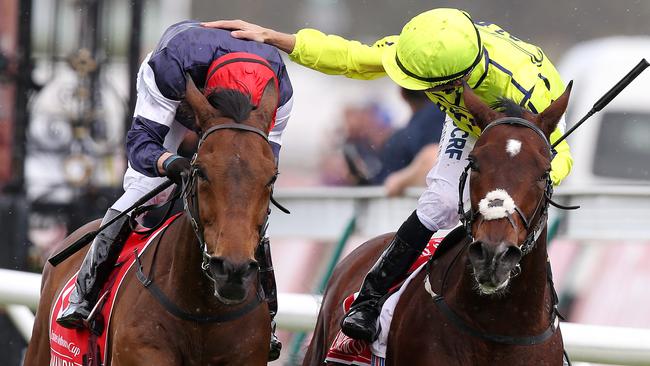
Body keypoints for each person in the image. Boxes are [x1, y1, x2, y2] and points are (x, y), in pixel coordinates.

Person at [204, 7, 573, 342]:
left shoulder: (524, 87)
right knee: (441, 201)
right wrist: (274, 37)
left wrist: (534, 174)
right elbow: (352, 58)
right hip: (473, 122)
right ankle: (369, 299)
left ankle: (544, 314)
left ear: (457, 77)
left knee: (523, 200)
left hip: (527, 133)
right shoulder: (427, 49)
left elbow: (561, 155)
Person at [56, 20, 293, 360]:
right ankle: (84, 294)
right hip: (181, 96)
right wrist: (171, 163)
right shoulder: (171, 65)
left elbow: (265, 167)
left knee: (246, 202)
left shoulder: (281, 90)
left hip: (239, 106)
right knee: (145, 190)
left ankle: (266, 315)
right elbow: (140, 145)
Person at [376, 88, 444, 195]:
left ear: (402, 94)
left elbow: (434, 156)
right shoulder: (449, 112)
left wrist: (399, 181)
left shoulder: (429, 119)